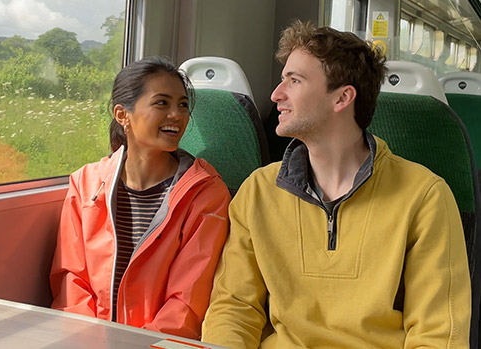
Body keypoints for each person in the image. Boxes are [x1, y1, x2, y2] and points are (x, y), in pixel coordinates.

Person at [202, 20, 471, 348]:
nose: (276, 95)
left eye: (294, 80)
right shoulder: (258, 190)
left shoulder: (425, 197)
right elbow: (234, 309)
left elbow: (438, 335)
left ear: (342, 98)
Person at [49, 56, 230, 339]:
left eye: (183, 105)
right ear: (123, 115)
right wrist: (87, 342)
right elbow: (71, 280)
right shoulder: (86, 184)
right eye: (162, 103)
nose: (177, 115)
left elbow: (188, 302)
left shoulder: (205, 193)